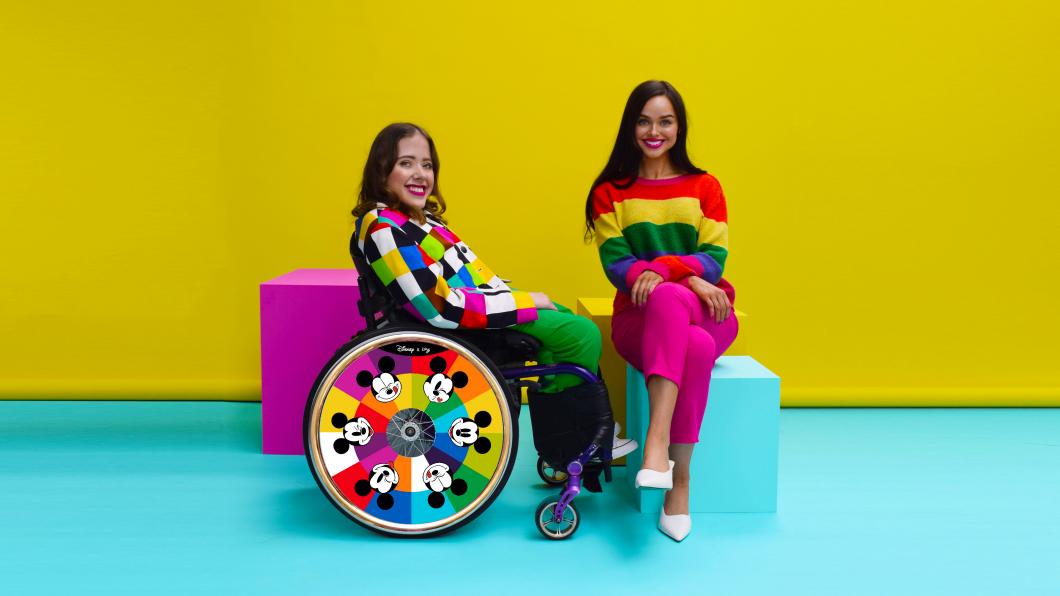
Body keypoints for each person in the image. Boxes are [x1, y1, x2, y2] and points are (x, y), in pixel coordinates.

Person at [352, 122, 637, 460]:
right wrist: (524, 302)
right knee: (581, 334)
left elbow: (467, 278)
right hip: (458, 326)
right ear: (382, 170)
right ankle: (574, 445)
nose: (420, 174)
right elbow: (439, 308)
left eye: (427, 165)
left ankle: (568, 441)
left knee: (561, 318)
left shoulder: (421, 221)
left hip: (476, 309)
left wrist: (515, 298)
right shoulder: (386, 229)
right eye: (407, 163)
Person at [586, 81, 739, 541]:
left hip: (709, 305)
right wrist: (682, 276)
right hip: (639, 317)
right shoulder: (610, 191)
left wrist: (677, 272)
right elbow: (617, 264)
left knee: (672, 297)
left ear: (679, 127)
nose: (655, 131)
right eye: (645, 120)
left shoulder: (705, 186)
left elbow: (715, 260)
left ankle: (656, 445)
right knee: (690, 342)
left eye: (665, 121)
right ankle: (681, 482)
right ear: (631, 127)